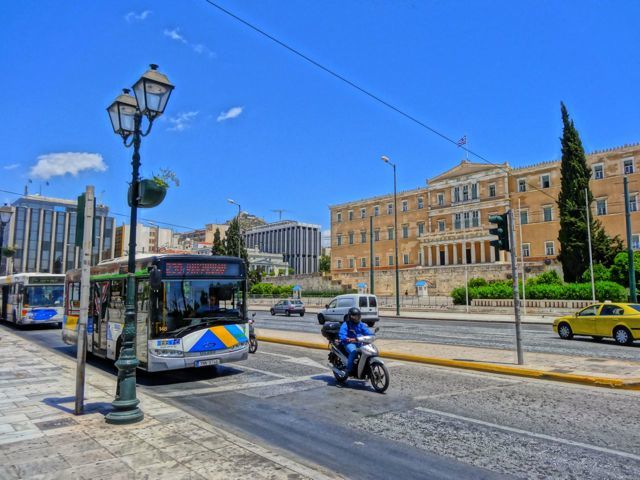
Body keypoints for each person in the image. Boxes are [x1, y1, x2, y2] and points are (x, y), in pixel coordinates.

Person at [338, 307, 372, 375]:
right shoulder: (346, 324)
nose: (357, 318)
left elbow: (368, 332)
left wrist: (372, 336)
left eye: (358, 316)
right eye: (355, 316)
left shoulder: (361, 324)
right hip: (349, 343)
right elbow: (342, 334)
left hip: (359, 342)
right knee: (354, 352)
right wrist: (347, 339)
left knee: (368, 351)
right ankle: (349, 369)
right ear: (350, 316)